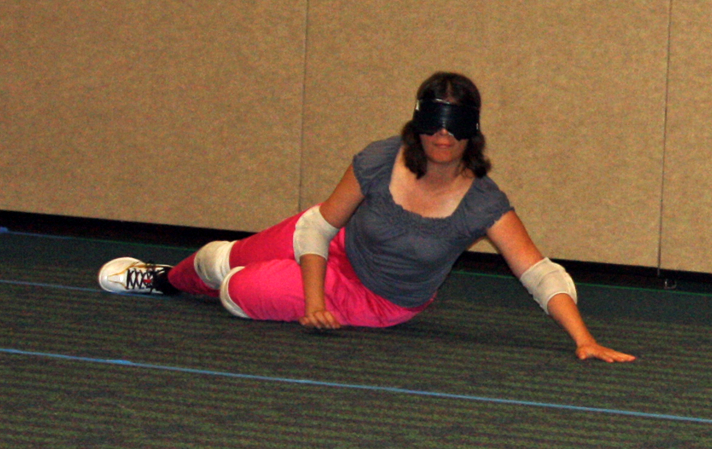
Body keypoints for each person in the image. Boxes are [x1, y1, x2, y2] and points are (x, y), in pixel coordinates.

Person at [97, 72, 634, 363]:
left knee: (239, 289)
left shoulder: (483, 201)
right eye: (434, 124)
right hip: (334, 247)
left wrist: (582, 339)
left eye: (455, 127)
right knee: (224, 257)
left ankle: (205, 283)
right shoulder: (380, 159)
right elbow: (318, 226)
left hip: (379, 298)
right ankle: (165, 279)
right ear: (418, 126)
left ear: (471, 132)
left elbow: (540, 274)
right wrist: (312, 300)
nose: (442, 137)